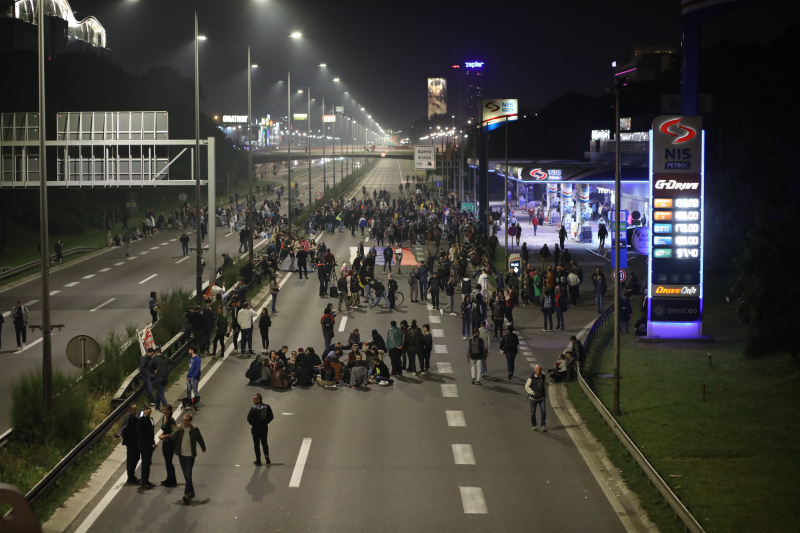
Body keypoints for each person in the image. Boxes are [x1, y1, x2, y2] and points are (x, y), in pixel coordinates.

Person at [171, 413, 206, 505]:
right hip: (181, 455)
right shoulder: (179, 428)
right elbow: (172, 438)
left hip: (190, 456)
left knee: (188, 474)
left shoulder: (194, 429)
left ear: (190, 421)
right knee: (187, 475)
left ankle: (186, 494)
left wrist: (203, 447)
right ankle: (192, 491)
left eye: (186, 420)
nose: (184, 422)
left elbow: (199, 438)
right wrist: (177, 430)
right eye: (183, 420)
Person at [116, 403, 140, 484]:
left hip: (136, 441)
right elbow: (123, 427)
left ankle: (132, 474)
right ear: (129, 409)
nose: (134, 410)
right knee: (131, 459)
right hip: (130, 442)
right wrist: (120, 434)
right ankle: (130, 476)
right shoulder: (128, 418)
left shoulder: (136, 417)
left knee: (137, 457)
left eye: (135, 409)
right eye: (133, 409)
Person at [248, 393, 274, 466]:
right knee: (264, 442)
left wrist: (253, 423)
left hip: (256, 428)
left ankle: (258, 460)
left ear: (259, 399)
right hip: (264, 427)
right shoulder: (267, 407)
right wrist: (266, 422)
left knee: (256, 444)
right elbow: (271, 416)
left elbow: (249, 418)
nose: (253, 401)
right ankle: (267, 458)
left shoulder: (253, 408)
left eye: (254, 399)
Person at [137, 405, 157, 489]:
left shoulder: (151, 419)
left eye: (149, 408)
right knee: (145, 462)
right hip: (144, 443)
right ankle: (144, 481)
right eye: (147, 409)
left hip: (149, 443)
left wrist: (153, 442)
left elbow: (151, 432)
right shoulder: (142, 419)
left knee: (148, 462)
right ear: (144, 410)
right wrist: (143, 416)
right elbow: (139, 425)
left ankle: (146, 480)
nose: (149, 410)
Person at [157, 405, 178, 487]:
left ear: (169, 411)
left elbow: (174, 432)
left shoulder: (171, 420)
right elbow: (164, 429)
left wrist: (165, 436)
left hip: (170, 443)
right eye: (163, 410)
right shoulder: (164, 418)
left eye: (166, 410)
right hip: (165, 442)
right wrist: (161, 434)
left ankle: (173, 479)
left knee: (169, 461)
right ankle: (169, 478)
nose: (164, 411)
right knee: (167, 461)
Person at [525, 365, 547, 431]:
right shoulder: (531, 377)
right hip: (533, 399)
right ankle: (534, 425)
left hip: (541, 398)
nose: (539, 371)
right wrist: (532, 393)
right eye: (537, 369)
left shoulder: (543, 377)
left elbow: (545, 385)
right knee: (533, 412)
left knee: (543, 411)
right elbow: (527, 387)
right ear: (535, 370)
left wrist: (545, 394)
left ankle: (543, 425)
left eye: (540, 369)